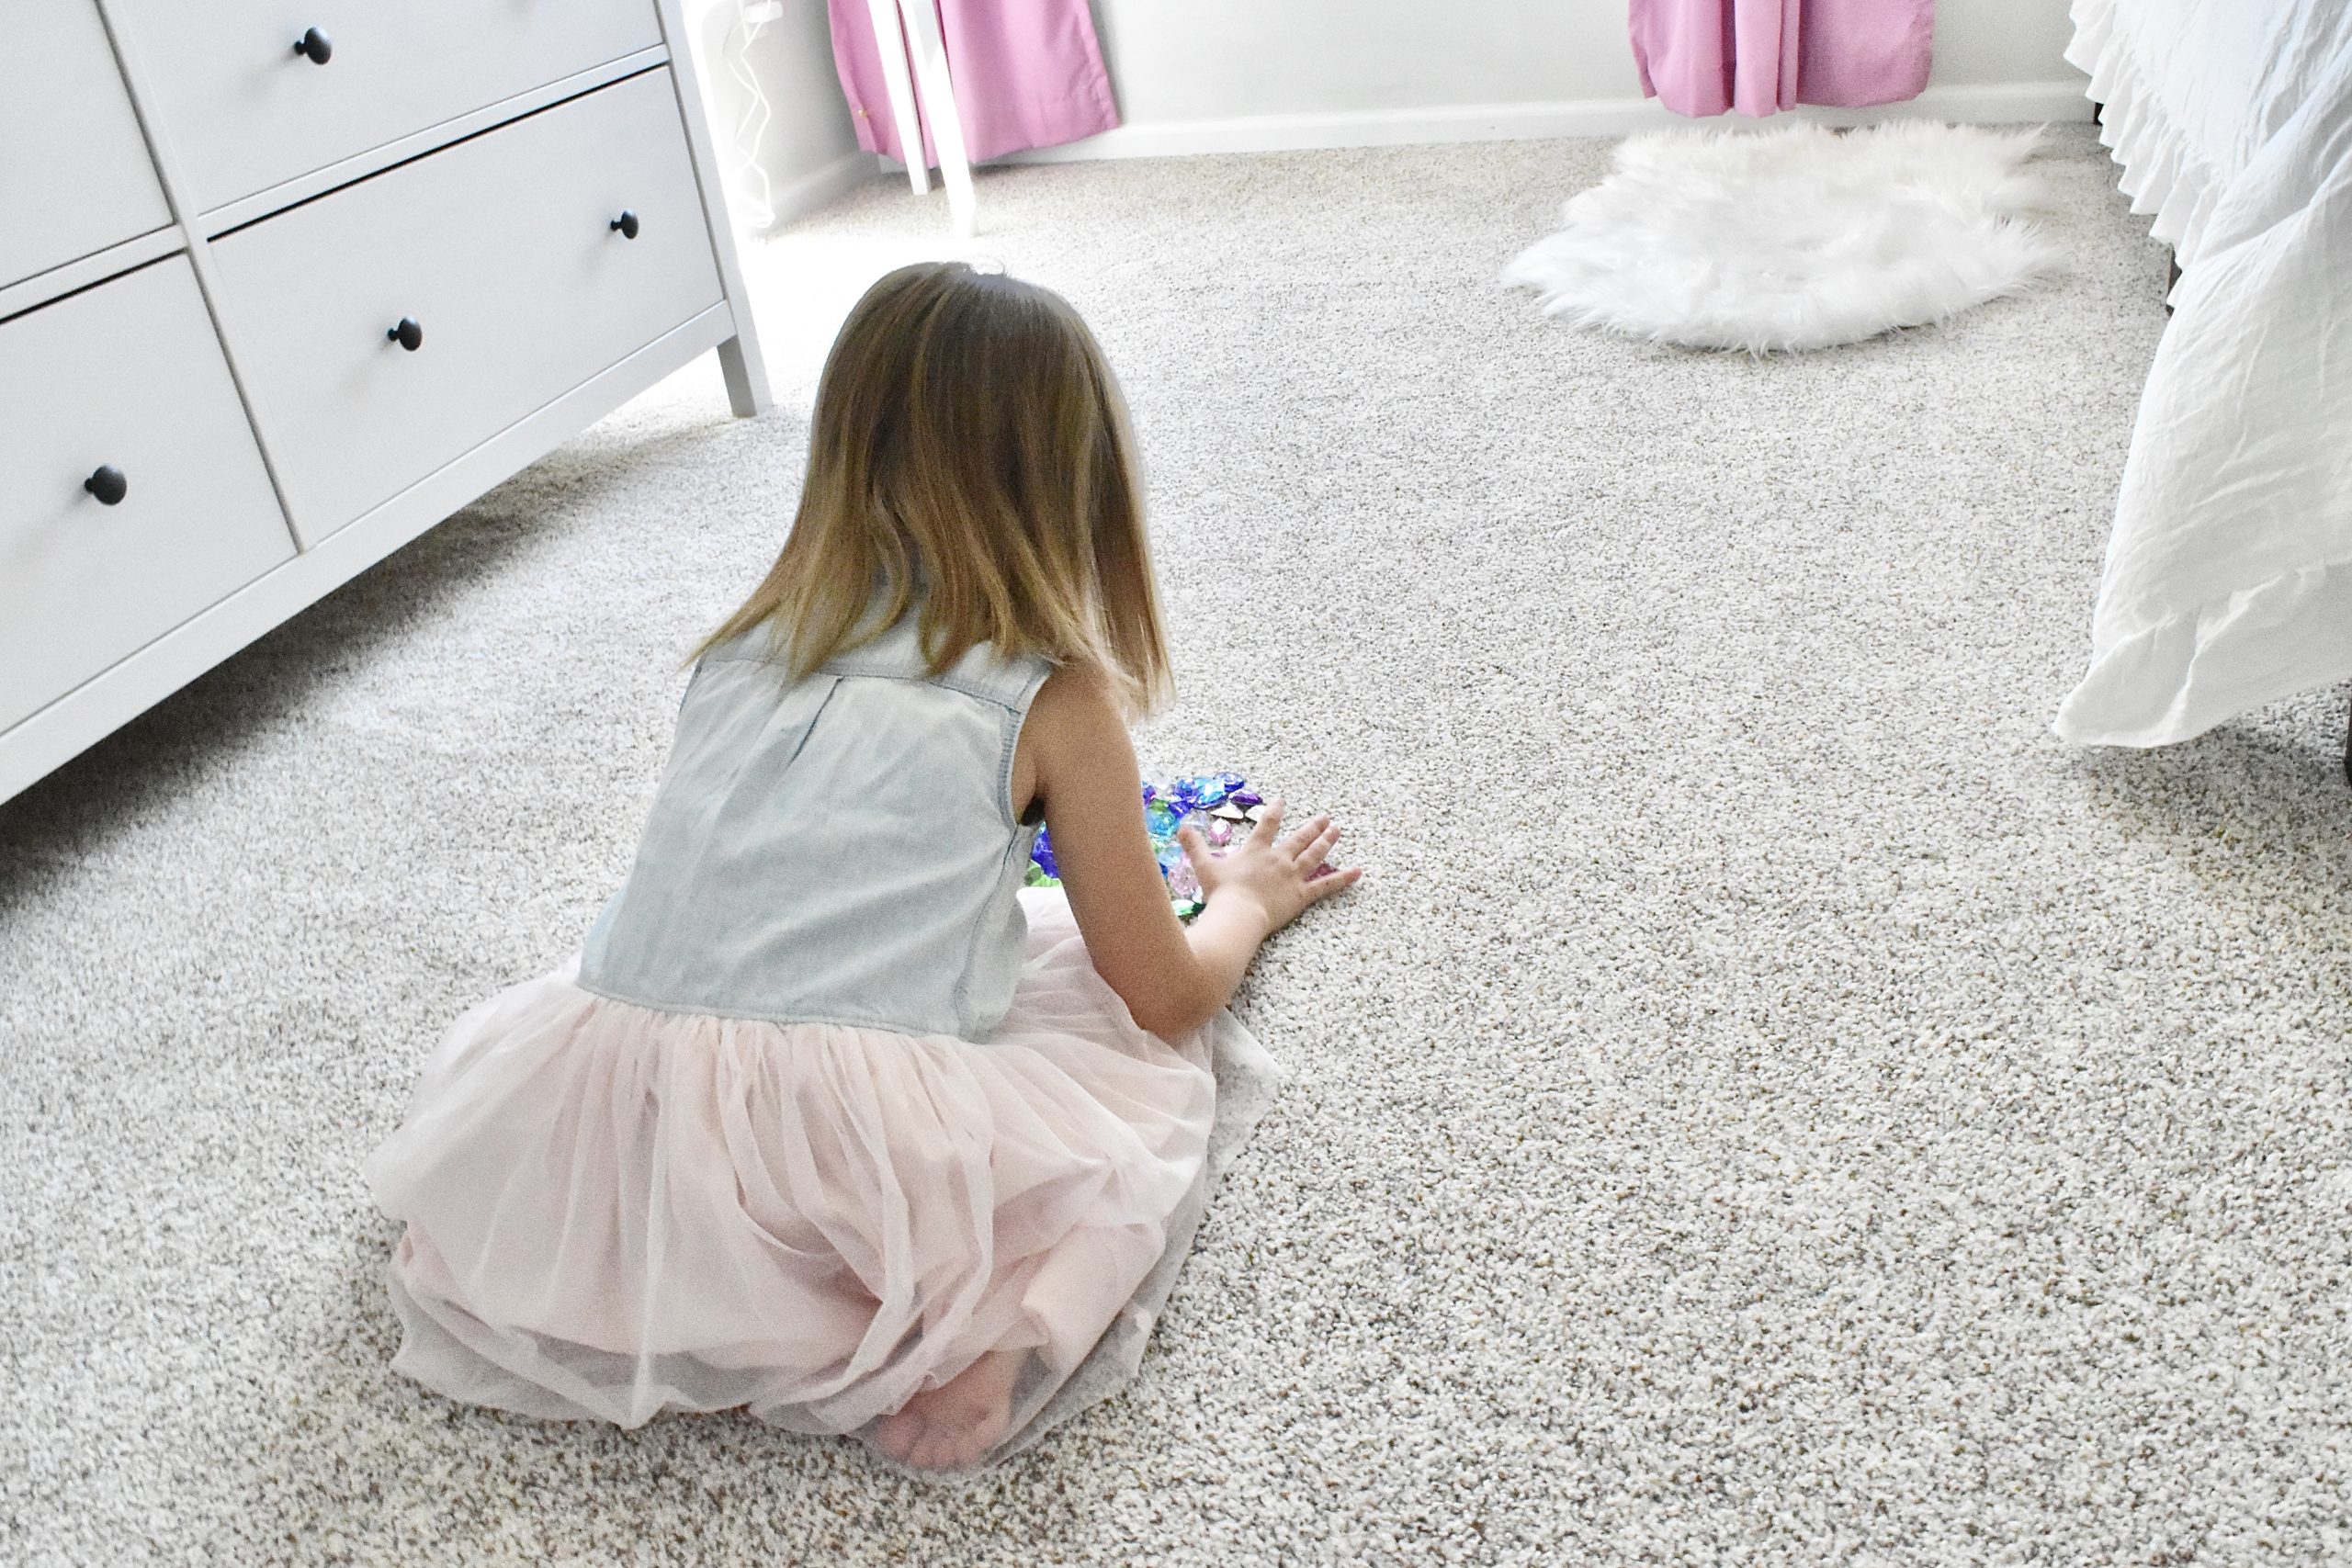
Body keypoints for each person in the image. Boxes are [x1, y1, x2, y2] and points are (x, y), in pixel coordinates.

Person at [363, 261, 1361, 1472]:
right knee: (1134, 1113)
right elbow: (1168, 992)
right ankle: (988, 1333)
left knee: (1029, 938)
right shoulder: (1056, 698)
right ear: (1077, 484)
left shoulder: (740, 649)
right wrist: (1243, 903)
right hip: (847, 1145)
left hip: (626, 1105)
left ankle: (653, 1278)